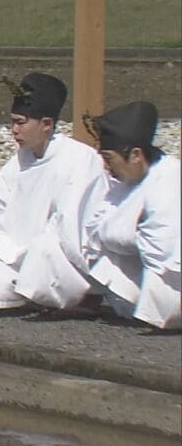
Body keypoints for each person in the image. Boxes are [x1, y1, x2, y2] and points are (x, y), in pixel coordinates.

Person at [0, 73, 107, 313]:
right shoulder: (17, 162)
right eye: (13, 123)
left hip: (58, 254)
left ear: (47, 124)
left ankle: (79, 295)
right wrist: (10, 245)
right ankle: (27, 289)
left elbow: (72, 225)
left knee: (44, 251)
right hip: (20, 250)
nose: (14, 130)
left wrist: (35, 247)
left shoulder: (78, 159)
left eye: (21, 123)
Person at [82, 101, 180, 330]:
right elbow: (95, 229)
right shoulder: (125, 182)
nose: (106, 168)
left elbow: (163, 250)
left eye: (109, 159)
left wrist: (125, 231)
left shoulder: (168, 182)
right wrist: (131, 229)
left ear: (135, 155)